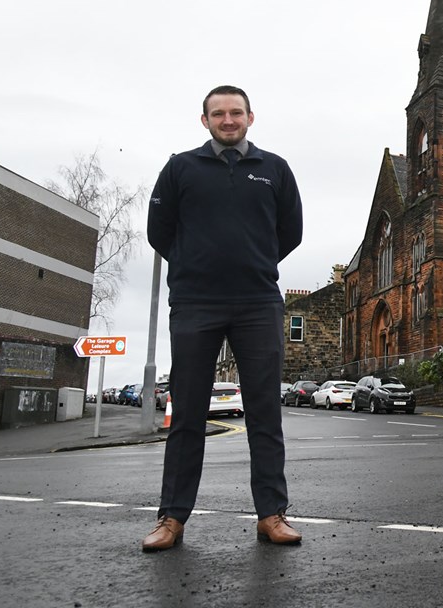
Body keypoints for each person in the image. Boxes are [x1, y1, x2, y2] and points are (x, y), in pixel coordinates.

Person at [142, 85, 304, 551]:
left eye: (236, 112)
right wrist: (193, 263)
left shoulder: (274, 169)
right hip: (195, 303)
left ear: (250, 117)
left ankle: (271, 515)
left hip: (258, 302)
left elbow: (289, 232)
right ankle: (171, 518)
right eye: (219, 113)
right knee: (187, 413)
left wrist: (253, 259)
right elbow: (160, 231)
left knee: (264, 413)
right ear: (205, 120)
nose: (228, 120)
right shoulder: (181, 168)